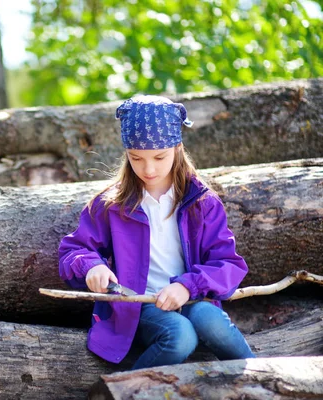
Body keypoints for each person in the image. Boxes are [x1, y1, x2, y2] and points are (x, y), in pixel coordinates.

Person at [58, 95, 255, 369]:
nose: (148, 169)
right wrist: (91, 266)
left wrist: (188, 286)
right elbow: (74, 251)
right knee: (180, 336)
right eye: (136, 158)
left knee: (212, 322)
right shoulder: (111, 205)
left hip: (191, 297)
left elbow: (228, 264)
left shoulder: (202, 202)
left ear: (177, 147)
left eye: (159, 157)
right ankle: (124, 391)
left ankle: (262, 377)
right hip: (138, 305)